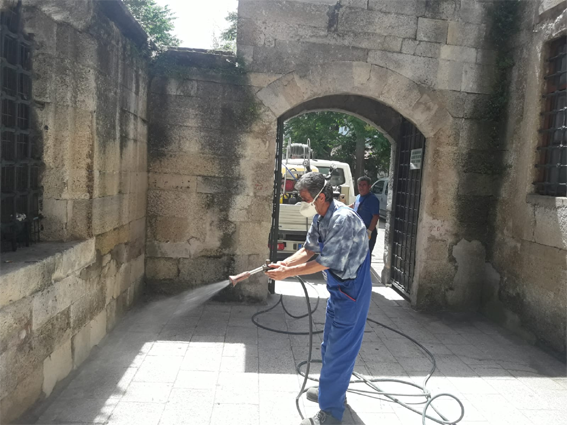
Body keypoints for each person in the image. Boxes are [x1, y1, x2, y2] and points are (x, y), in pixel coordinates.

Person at [266, 172, 372, 425]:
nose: (301, 203)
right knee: (329, 345)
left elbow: (326, 262)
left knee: (339, 349)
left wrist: (288, 273)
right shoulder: (321, 216)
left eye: (304, 198)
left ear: (321, 196)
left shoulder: (342, 219)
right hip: (339, 289)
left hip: (353, 290)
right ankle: (333, 393)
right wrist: (282, 264)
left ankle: (332, 413)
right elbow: (308, 250)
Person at [349, 176, 380, 255]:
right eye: (359, 185)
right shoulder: (358, 197)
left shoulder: (372, 199)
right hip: (357, 231)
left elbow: (375, 216)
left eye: (364, 185)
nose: (361, 187)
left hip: (367, 231)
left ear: (369, 186)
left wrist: (369, 232)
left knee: (365, 256)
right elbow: (354, 205)